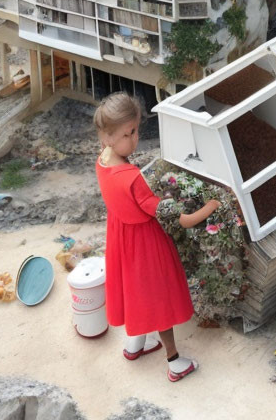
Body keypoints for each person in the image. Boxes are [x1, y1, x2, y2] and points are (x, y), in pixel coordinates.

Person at [94, 93, 219, 382]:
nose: (136, 138)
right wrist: (212, 206)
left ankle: (135, 344)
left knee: (133, 292)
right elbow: (182, 220)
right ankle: (175, 362)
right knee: (157, 300)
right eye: (130, 133)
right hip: (145, 243)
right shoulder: (132, 178)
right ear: (108, 136)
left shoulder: (102, 161)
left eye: (137, 130)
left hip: (120, 238)